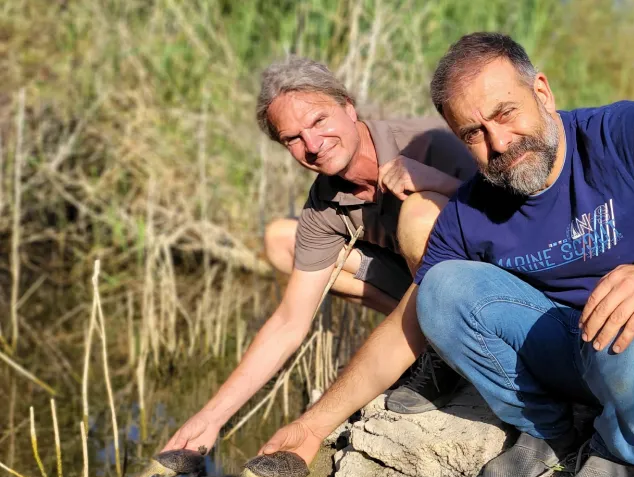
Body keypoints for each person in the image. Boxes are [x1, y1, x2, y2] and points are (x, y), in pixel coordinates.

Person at [256, 32, 634, 477]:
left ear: (542, 91)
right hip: (568, 350)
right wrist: (311, 428)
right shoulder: (473, 207)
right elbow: (406, 328)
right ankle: (546, 427)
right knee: (440, 288)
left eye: (505, 113)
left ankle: (621, 450)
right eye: (473, 133)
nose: (499, 143)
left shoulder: (625, 133)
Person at [161, 56, 479, 456]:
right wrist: (211, 417)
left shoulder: (431, 142)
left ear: (348, 107)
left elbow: (521, 221)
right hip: (421, 288)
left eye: (318, 121)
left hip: (485, 287)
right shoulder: (323, 205)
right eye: (292, 138)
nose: (312, 145)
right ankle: (428, 347)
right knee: (285, 239)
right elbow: (289, 323)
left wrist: (444, 184)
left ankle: (447, 347)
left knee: (420, 212)